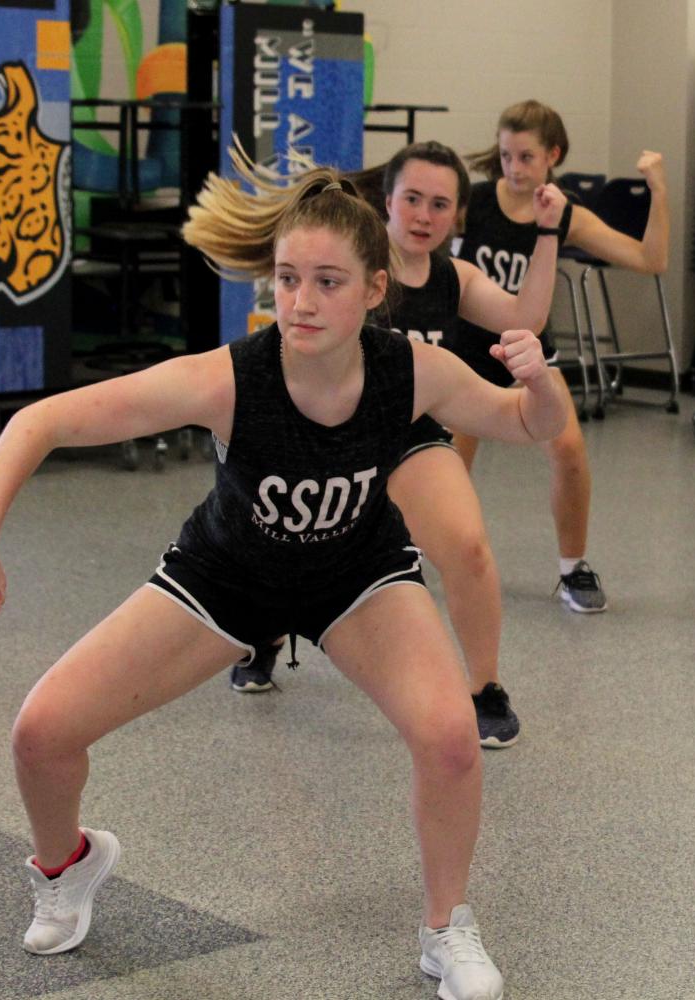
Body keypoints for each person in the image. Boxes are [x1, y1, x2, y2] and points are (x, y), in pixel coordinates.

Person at [0, 147, 571, 1000]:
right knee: (41, 733)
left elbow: (524, 423)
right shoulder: (229, 380)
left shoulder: (410, 370)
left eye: (327, 282)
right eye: (287, 280)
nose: (301, 302)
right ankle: (67, 866)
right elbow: (42, 422)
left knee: (451, 738)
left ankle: (446, 930)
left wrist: (541, 384)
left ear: (375, 290)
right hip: (226, 579)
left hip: (358, 575)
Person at [230, 141, 567, 752]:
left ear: (456, 216)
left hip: (406, 433)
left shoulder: (453, 276)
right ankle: (268, 633)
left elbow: (526, 314)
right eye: (411, 198)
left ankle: (485, 687)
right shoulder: (348, 259)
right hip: (321, 429)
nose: (423, 215)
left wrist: (548, 232)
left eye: (440, 205)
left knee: (466, 544)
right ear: (385, 201)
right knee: (285, 542)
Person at [453, 98, 670, 613]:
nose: (514, 168)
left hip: (528, 351)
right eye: (506, 156)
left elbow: (650, 258)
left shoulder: (561, 213)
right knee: (447, 465)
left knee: (569, 452)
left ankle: (573, 569)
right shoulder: (474, 202)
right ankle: (416, 556)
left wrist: (659, 189)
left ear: (552, 155)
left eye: (526, 157)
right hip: (468, 348)